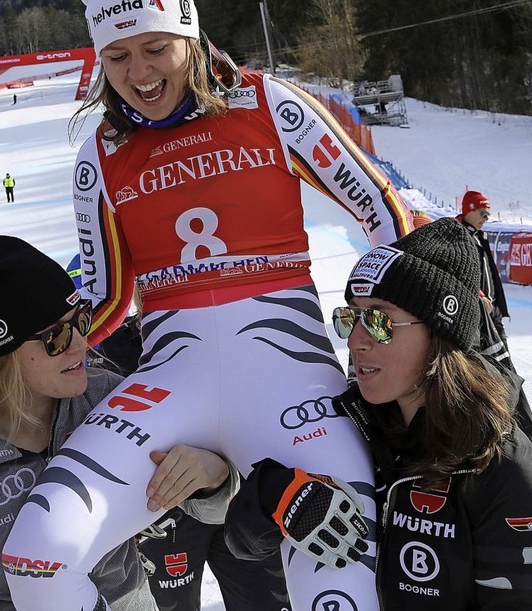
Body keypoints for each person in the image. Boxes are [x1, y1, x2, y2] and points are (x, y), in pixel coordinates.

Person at [3, 0, 414, 611]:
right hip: (170, 389)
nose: (137, 71)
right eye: (117, 54)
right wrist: (15, 351)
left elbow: (385, 212)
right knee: (37, 554)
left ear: (189, 34)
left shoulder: (270, 105)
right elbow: (105, 304)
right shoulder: (99, 158)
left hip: (296, 391)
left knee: (337, 587)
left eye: (155, 46)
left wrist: (399, 323)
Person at [0, 236, 237, 610]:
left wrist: (210, 477)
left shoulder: (106, 398)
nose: (81, 344)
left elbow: (213, 510)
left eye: (80, 320)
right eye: (55, 338)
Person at [225, 218, 532, 609]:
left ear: (440, 334)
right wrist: (275, 493)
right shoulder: (346, 424)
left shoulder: (498, 464)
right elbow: (240, 543)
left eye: (379, 321)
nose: (355, 341)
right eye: (352, 317)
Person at [66, 254, 290, 611]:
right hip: (163, 514)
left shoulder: (229, 327)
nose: (153, 290)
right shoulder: (104, 350)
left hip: (240, 498)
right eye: (140, 281)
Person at [456, 190, 509, 341]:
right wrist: (479, 297)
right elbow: (457, 271)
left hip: (491, 307)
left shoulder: (478, 235)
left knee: (503, 356)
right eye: (482, 213)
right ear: (469, 210)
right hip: (475, 308)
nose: (486, 219)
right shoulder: (457, 234)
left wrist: (497, 304)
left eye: (488, 215)